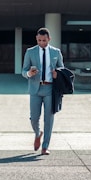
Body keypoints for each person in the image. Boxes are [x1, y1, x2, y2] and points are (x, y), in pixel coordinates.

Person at [22, 27, 64, 155]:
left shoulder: (56, 52)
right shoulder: (30, 52)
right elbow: (23, 71)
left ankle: (45, 146)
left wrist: (57, 73)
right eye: (39, 40)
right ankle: (37, 133)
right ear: (36, 38)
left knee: (49, 118)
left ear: (49, 39)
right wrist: (29, 73)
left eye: (44, 40)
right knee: (34, 118)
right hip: (35, 88)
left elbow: (62, 68)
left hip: (50, 89)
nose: (41, 43)